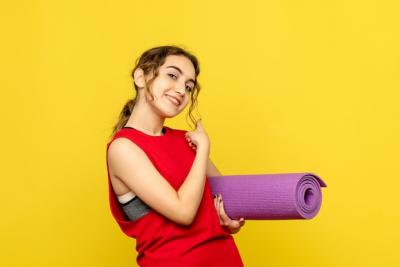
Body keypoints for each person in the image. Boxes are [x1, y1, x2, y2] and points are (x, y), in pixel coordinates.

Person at [105, 45, 245, 266]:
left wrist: (228, 221)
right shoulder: (123, 148)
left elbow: (227, 200)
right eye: (172, 76)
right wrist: (203, 151)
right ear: (141, 77)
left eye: (189, 87)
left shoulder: (186, 140)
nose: (181, 90)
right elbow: (183, 212)